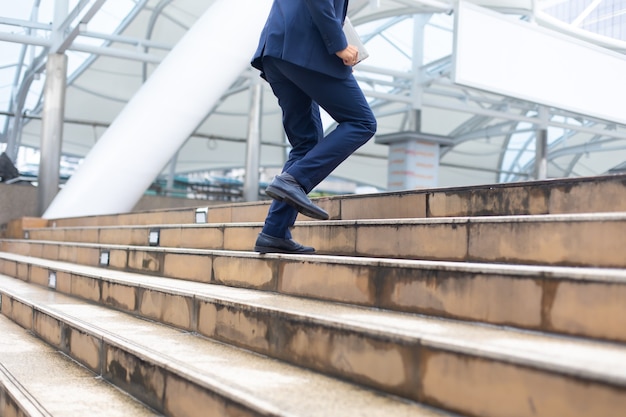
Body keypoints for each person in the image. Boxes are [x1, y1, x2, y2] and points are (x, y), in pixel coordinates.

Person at [251, 0, 377, 254]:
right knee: (362, 122)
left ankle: (274, 232)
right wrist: (340, 45)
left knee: (305, 143)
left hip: (277, 52)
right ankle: (294, 180)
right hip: (304, 49)